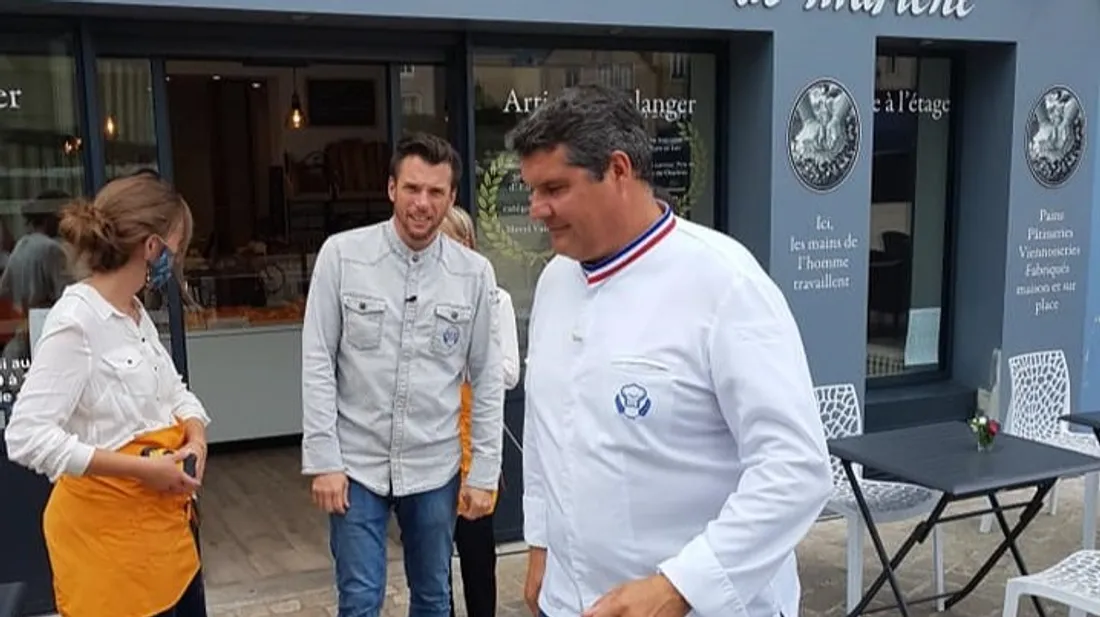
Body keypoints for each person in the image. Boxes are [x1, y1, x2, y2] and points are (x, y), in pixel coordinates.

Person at [512, 83, 833, 617]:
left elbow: (795, 469)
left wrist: (679, 587)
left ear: (618, 170)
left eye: (554, 188)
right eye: (532, 190)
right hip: (573, 601)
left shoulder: (725, 285)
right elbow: (547, 434)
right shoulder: (554, 282)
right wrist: (541, 547)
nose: (536, 210)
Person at [301, 132, 505, 617]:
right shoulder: (342, 256)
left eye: (436, 192)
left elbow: (488, 378)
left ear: (452, 197)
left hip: (434, 464)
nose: (422, 203)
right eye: (413, 188)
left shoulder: (474, 275)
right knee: (359, 600)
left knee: (434, 598)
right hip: (357, 463)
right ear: (391, 188)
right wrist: (324, 459)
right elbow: (316, 361)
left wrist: (485, 473)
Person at [4, 173, 210, 617]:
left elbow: (175, 392)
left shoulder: (134, 313)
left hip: (164, 541)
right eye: (177, 248)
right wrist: (138, 469)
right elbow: (26, 436)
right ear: (152, 247)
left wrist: (196, 437)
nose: (177, 261)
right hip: (108, 552)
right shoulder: (76, 322)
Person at [439, 206, 521, 617]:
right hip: (432, 444)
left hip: (474, 446)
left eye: (452, 242)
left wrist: (464, 362)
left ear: (468, 245)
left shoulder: (497, 298)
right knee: (434, 562)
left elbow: (508, 372)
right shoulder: (420, 299)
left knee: (476, 556)